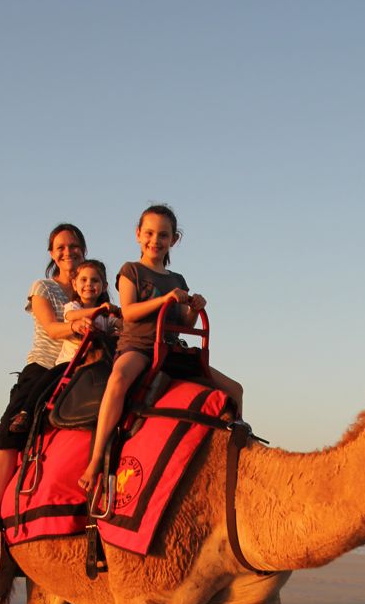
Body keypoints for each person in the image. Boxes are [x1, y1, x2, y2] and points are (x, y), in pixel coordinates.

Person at [78, 204, 242, 494]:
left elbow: (182, 320)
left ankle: (237, 454)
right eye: (150, 233)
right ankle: (95, 460)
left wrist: (194, 307)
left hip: (171, 349)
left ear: (173, 240)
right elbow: (128, 312)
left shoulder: (177, 280)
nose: (156, 240)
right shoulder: (132, 271)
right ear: (138, 234)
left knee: (235, 389)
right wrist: (166, 299)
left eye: (163, 235)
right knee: (118, 380)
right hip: (139, 346)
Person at [0, 223, 90, 546]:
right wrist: (82, 325)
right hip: (43, 368)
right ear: (52, 254)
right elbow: (53, 329)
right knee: (9, 434)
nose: (68, 252)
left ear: (84, 249)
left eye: (74, 246)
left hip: (79, 369)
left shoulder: (90, 287)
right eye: (61, 247)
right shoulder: (43, 288)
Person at [55, 259, 121, 365]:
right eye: (83, 280)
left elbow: (122, 325)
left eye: (95, 280)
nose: (89, 284)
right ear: (75, 284)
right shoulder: (73, 306)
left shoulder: (105, 317)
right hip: (69, 363)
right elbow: (71, 316)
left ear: (104, 287)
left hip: (94, 363)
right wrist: (98, 310)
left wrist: (119, 313)